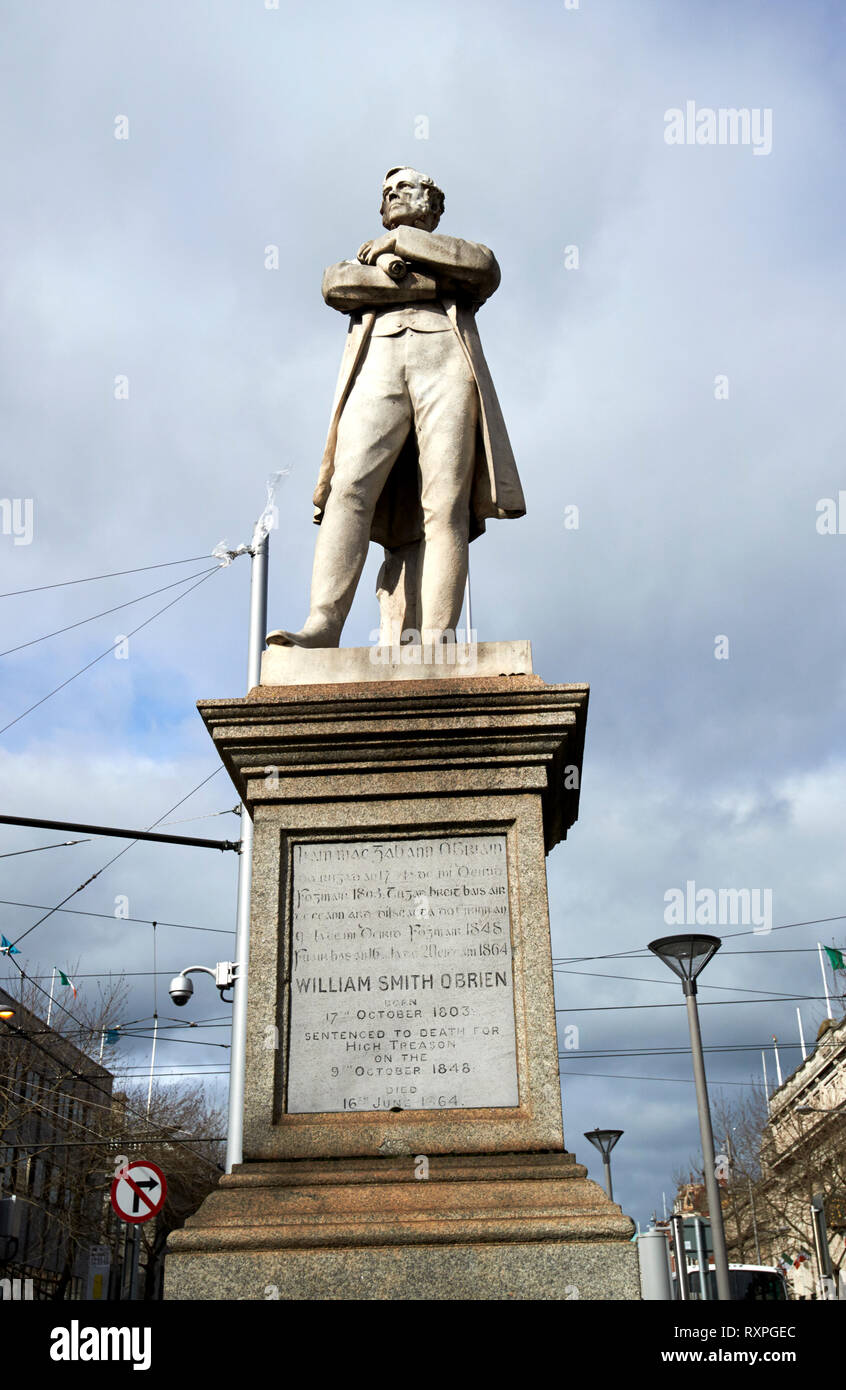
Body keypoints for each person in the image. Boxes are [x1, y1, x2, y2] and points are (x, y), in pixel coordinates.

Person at [268, 166, 525, 649]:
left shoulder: (449, 250)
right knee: (349, 489)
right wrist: (430, 285)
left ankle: (436, 636)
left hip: (446, 365)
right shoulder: (367, 260)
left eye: (404, 187)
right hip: (378, 365)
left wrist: (398, 248)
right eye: (386, 192)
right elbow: (337, 285)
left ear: (432, 202)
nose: (391, 196)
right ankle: (323, 623)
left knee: (444, 503)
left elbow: (482, 269)